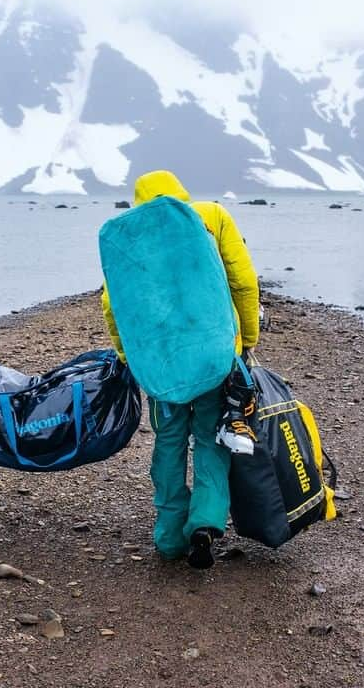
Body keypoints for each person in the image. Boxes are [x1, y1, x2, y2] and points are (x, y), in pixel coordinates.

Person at [101, 170, 259, 569]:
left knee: (168, 442)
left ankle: (170, 536)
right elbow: (243, 282)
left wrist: (127, 357)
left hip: (162, 368)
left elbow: (112, 306)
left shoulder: (129, 240)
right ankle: (205, 522)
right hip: (215, 356)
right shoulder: (212, 216)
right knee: (209, 439)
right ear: (180, 193)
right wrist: (248, 338)